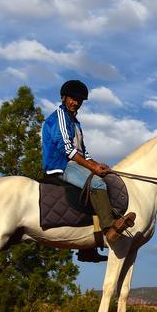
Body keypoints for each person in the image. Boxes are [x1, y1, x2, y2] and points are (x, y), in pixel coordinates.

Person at [42, 80, 135, 258]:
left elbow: (83, 152)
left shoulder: (75, 122)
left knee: (103, 179)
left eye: (79, 100)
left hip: (74, 162)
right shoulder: (59, 117)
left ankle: (87, 249)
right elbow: (68, 150)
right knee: (98, 184)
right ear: (64, 98)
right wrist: (92, 168)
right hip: (60, 166)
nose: (75, 102)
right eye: (72, 98)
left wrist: (97, 164)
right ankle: (109, 228)